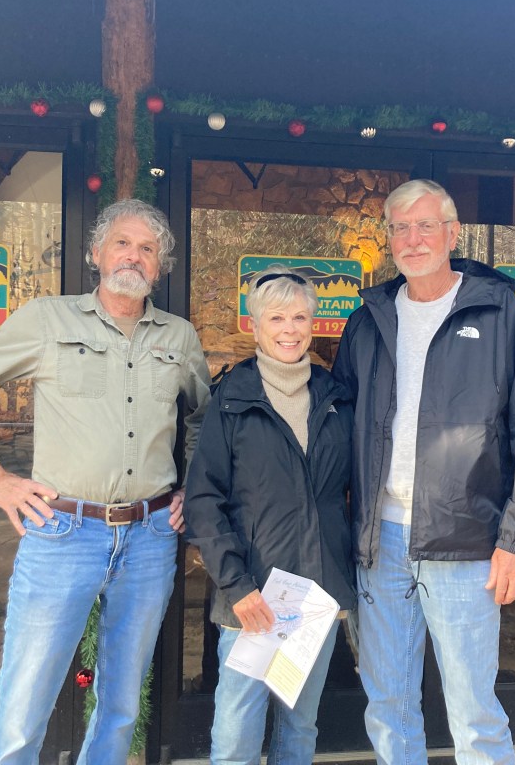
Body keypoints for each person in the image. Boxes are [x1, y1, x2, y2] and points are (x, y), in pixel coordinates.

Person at [0, 198, 211, 765]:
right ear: (96, 253)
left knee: (123, 700)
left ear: (160, 266)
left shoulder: (179, 336)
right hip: (62, 532)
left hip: (151, 536)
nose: (133, 256)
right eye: (122, 243)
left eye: (147, 248)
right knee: (26, 697)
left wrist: (191, 487)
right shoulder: (47, 320)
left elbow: (204, 419)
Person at [332, 179, 515, 765]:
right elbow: (337, 425)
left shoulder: (498, 311)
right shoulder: (369, 320)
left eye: (425, 226)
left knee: (473, 712)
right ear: (388, 238)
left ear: (452, 233)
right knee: (388, 704)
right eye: (400, 228)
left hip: (465, 541)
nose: (413, 240)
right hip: (380, 541)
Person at [183, 265, 356, 765]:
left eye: (299, 317)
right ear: (255, 326)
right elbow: (204, 499)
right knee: (237, 732)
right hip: (253, 596)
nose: (289, 329)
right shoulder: (231, 399)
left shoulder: (336, 398)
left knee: (299, 728)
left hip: (317, 594)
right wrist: (237, 586)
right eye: (276, 317)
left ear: (312, 325)